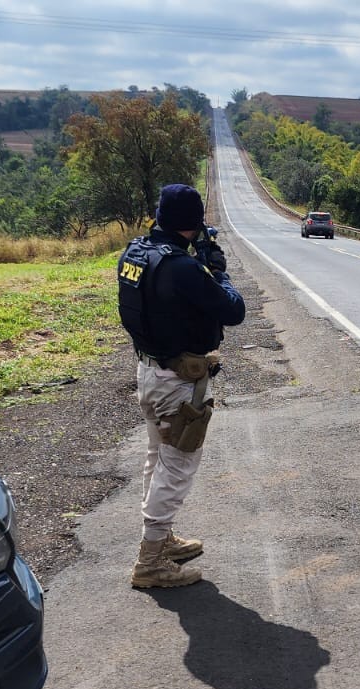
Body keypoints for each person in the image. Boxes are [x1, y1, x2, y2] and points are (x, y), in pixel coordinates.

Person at [116, 184, 245, 588]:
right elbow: (233, 310)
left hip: (150, 370)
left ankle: (162, 539)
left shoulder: (135, 254)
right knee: (177, 467)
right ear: (193, 223)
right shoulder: (183, 267)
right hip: (177, 383)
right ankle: (150, 562)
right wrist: (218, 271)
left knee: (158, 458)